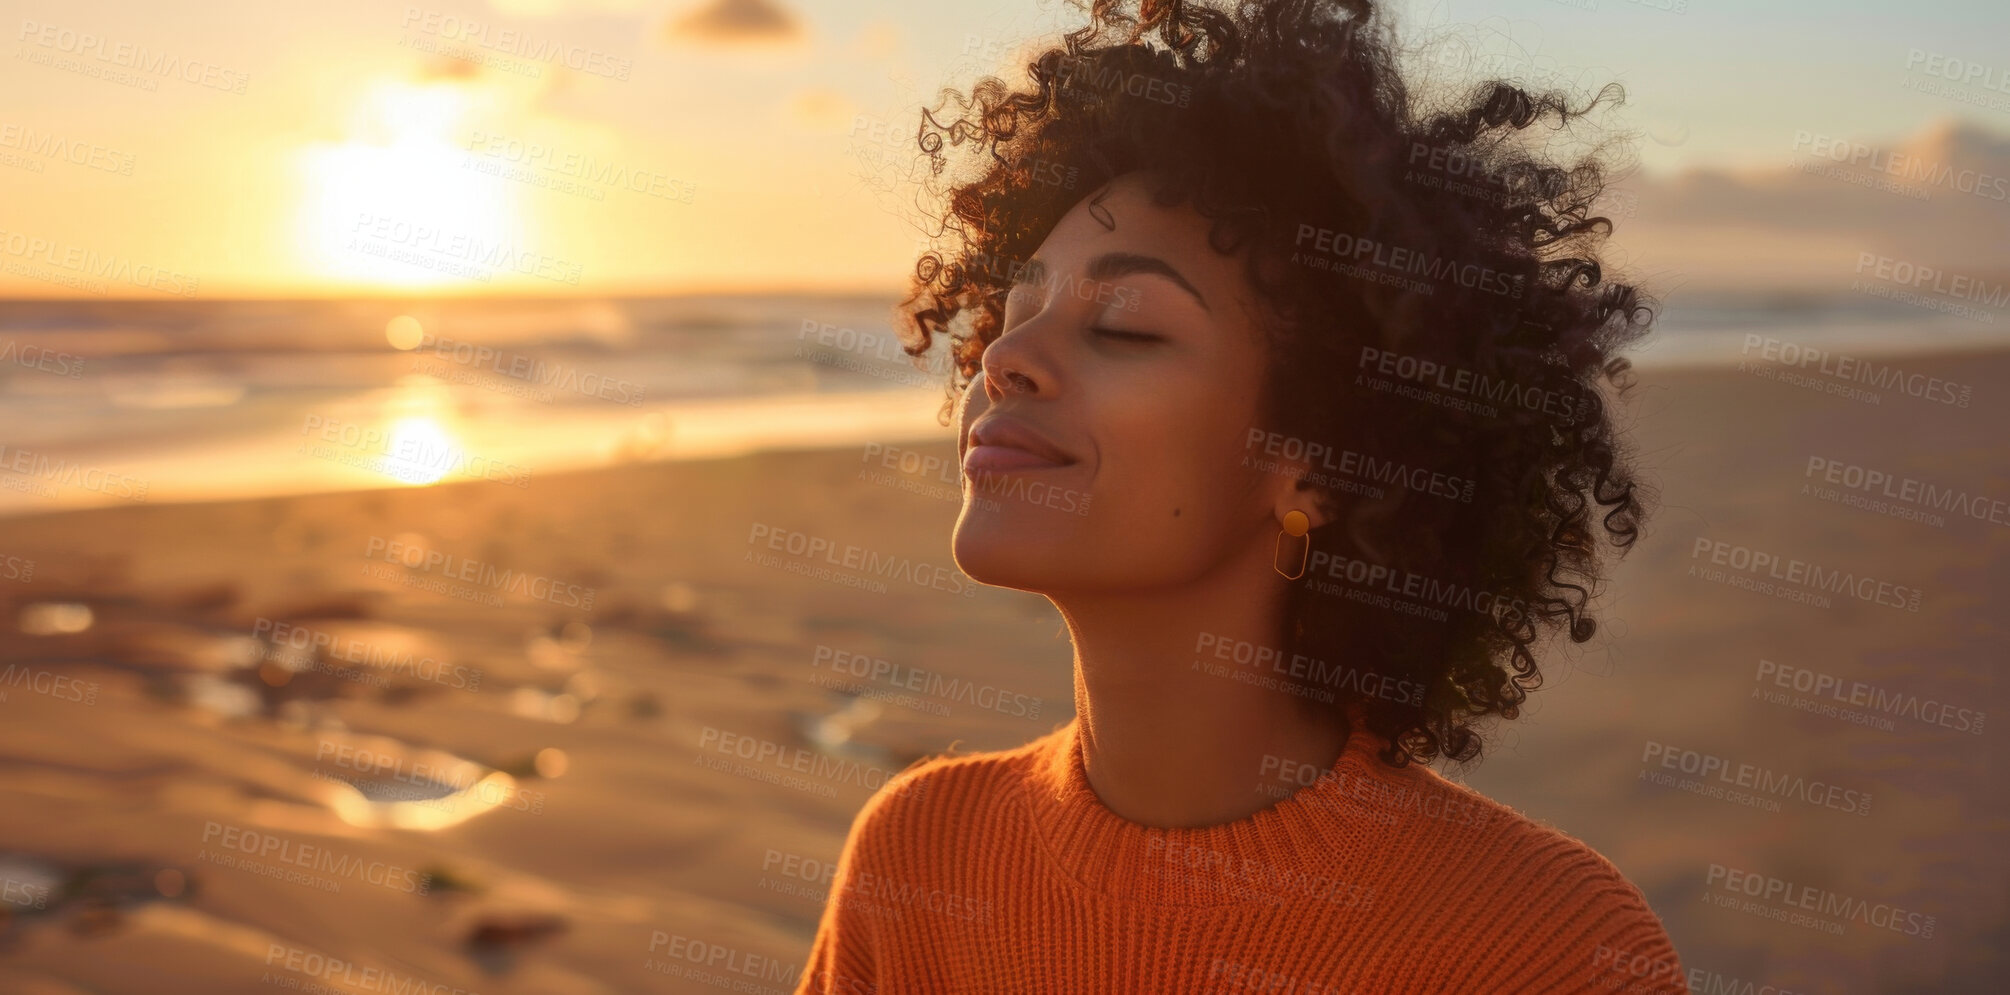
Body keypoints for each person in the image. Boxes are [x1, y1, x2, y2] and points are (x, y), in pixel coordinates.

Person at [798, 0, 1683, 991]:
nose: (1004, 357)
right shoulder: (917, 856)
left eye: (1126, 324)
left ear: (1325, 460)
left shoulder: (1546, 949)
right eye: (1014, 310)